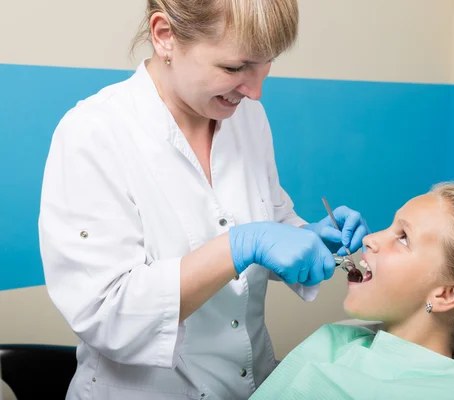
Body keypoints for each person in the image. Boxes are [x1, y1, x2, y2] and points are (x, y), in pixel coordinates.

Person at [37, 1, 369, 399]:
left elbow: (270, 218)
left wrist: (307, 236)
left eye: (267, 63)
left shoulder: (246, 118)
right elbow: (109, 312)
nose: (255, 90)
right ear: (165, 36)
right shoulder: (94, 134)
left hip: (254, 384)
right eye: (233, 68)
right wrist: (241, 245)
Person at [250, 182, 454, 399]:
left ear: (446, 294)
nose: (370, 239)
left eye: (403, 238)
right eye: (390, 227)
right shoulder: (338, 339)